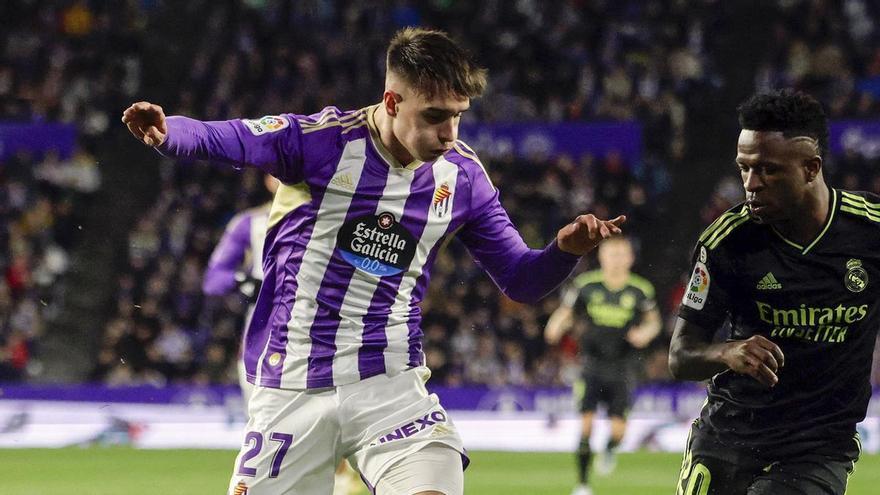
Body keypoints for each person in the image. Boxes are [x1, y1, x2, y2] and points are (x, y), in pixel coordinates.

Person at [123, 27, 625, 495]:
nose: (450, 133)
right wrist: (169, 132)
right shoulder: (322, 141)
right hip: (292, 383)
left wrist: (564, 252)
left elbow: (520, 279)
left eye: (458, 115)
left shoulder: (463, 178)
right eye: (435, 116)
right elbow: (230, 137)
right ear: (391, 102)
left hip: (390, 384)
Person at [670, 89, 874, 494]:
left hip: (816, 449)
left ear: (811, 168)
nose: (751, 184)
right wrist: (727, 352)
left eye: (768, 170)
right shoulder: (727, 242)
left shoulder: (870, 232)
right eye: (744, 168)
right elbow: (681, 356)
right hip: (727, 437)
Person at [203, 174, 359, 495]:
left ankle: (340, 477)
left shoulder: (340, 214)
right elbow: (214, 280)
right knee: (269, 434)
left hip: (329, 339)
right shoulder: (250, 224)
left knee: (331, 427)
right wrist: (245, 282)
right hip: (265, 347)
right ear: (269, 179)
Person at [545, 236, 661, 495]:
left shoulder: (640, 289)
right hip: (591, 365)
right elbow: (566, 311)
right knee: (586, 425)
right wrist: (555, 326)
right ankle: (583, 484)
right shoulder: (586, 285)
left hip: (623, 366)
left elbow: (653, 321)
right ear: (602, 257)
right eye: (612, 254)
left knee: (619, 431)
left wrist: (646, 333)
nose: (616, 260)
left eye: (622, 254)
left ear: (630, 258)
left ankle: (609, 447)